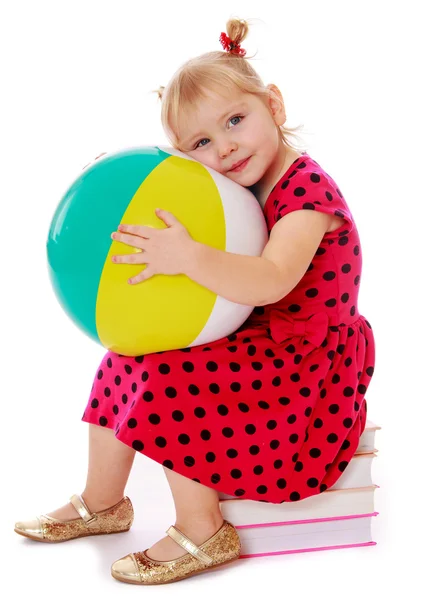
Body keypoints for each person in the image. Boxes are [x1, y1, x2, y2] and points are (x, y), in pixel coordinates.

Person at [15, 17, 376, 585]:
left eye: (236, 120)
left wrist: (187, 257)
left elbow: (272, 280)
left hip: (303, 362)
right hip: (256, 339)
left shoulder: (307, 192)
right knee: (124, 356)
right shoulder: (235, 188)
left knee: (167, 378)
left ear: (274, 105)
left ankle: (205, 527)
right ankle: (104, 501)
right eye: (201, 143)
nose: (226, 146)